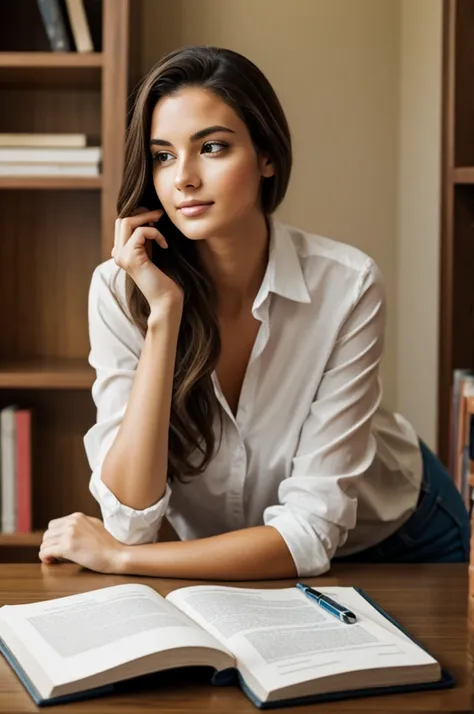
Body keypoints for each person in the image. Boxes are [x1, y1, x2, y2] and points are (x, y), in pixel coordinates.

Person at [39, 46, 470, 578]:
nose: (184, 179)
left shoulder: (348, 285)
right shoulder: (120, 290)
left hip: (404, 538)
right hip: (246, 558)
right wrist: (164, 317)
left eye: (212, 147)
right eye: (163, 156)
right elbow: (129, 516)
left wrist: (121, 558)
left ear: (267, 155)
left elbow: (308, 531)